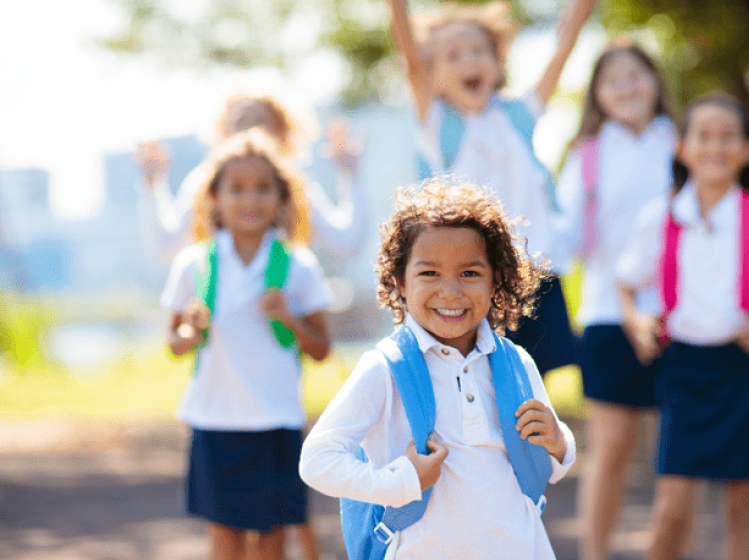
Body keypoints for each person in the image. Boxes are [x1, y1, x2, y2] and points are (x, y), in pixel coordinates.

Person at [299, 179, 577, 559]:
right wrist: (400, 481)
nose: (450, 291)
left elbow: (549, 463)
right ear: (400, 281)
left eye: (469, 274)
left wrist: (559, 442)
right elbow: (317, 460)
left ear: (496, 280)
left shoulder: (516, 363)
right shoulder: (385, 368)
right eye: (429, 273)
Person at [617, 93, 749, 560]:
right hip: (683, 369)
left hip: (744, 369)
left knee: (740, 504)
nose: (715, 146)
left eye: (728, 136)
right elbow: (626, 282)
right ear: (682, 148)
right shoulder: (659, 217)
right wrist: (635, 320)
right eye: (704, 136)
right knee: (671, 510)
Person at [385, 0, 595, 375]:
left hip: (535, 271)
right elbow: (412, 61)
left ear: (498, 65)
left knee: (535, 375)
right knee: (482, 376)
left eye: (478, 50)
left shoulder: (517, 116)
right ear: (433, 75)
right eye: (453, 55)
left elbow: (562, 51)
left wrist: (579, 13)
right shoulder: (438, 123)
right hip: (475, 280)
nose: (469, 60)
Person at [160, 129, 334, 560]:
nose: (250, 199)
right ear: (214, 198)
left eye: (262, 188)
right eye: (236, 188)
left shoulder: (299, 266)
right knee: (224, 539)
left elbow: (321, 348)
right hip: (214, 421)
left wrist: (288, 318)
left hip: (276, 422)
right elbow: (174, 344)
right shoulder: (194, 264)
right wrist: (191, 331)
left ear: (282, 197)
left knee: (272, 540)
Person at [554, 39, 678, 560]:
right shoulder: (586, 155)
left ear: (655, 80)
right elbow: (563, 240)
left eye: (636, 75)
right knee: (611, 452)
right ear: (598, 95)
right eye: (612, 81)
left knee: (681, 458)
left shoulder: (683, 143)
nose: (626, 88)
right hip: (608, 315)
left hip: (684, 318)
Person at [137, 93, 368, 264]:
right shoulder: (203, 184)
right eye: (239, 122)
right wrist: (153, 185)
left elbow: (348, 243)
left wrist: (350, 174)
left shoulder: (295, 187)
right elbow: (164, 248)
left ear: (281, 131)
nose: (249, 133)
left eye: (258, 122)